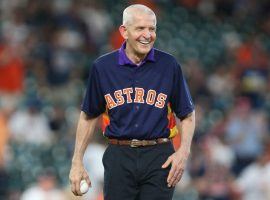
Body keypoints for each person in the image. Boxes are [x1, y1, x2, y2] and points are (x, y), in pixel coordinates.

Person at [69, 4, 195, 200]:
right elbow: (88, 115)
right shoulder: (103, 67)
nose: (147, 34)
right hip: (119, 155)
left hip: (159, 155)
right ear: (124, 31)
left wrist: (183, 153)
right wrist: (77, 161)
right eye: (140, 28)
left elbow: (187, 114)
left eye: (152, 29)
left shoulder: (169, 65)